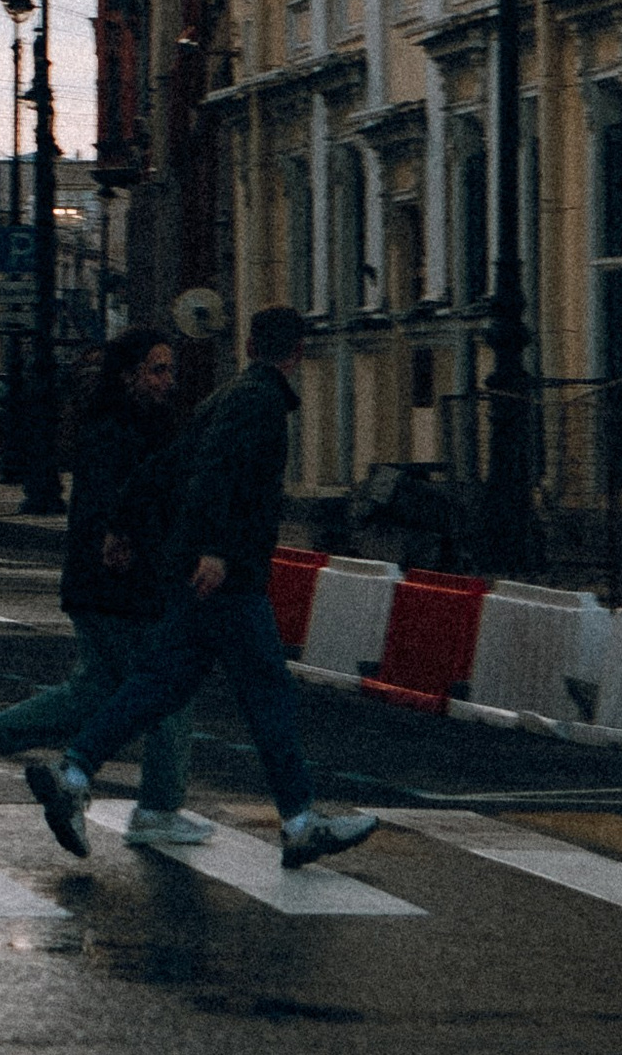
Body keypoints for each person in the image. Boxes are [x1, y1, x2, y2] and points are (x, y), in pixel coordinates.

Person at [22, 302, 381, 876]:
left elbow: (169, 464)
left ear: (247, 346)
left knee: (157, 687)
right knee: (268, 693)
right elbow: (215, 473)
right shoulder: (261, 403)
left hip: (193, 572)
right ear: (299, 353)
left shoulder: (228, 397)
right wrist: (215, 549)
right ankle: (300, 824)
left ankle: (73, 775)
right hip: (227, 577)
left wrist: (123, 521)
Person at [0, 328, 212, 846]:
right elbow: (111, 508)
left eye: (170, 370)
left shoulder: (132, 426)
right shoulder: (118, 431)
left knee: (97, 693)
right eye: (157, 369)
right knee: (167, 688)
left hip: (105, 587)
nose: (168, 380)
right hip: (120, 589)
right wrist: (141, 551)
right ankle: (156, 807)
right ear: (128, 375)